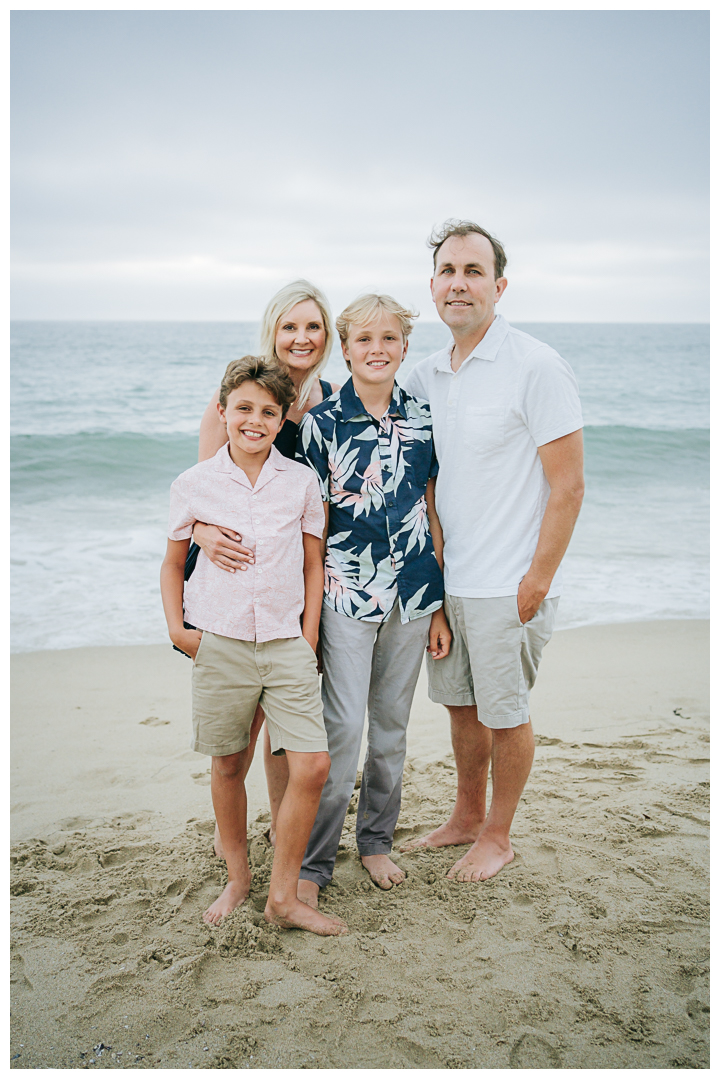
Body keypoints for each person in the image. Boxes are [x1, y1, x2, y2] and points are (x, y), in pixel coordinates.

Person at [400, 220, 584, 882]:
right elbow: (421, 483)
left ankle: (499, 836)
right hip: (452, 583)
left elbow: (568, 486)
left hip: (511, 584)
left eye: (474, 272)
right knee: (460, 711)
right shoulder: (423, 377)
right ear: (432, 287)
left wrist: (536, 579)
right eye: (448, 271)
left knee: (506, 716)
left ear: (498, 286)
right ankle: (465, 818)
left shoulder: (535, 365)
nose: (459, 283)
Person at [160, 355, 347, 936]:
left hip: (287, 641)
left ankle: (284, 896)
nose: (255, 421)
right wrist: (176, 628)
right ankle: (239, 877)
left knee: (312, 766)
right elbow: (172, 564)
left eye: (269, 411)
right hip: (221, 642)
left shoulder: (300, 481)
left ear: (283, 417)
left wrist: (309, 632)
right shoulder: (193, 485)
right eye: (243, 409)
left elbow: (314, 564)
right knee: (228, 764)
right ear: (223, 412)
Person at [293, 293, 452, 908]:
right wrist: (308, 620)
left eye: (389, 339)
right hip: (344, 597)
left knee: (391, 730)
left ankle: (376, 841)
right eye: (364, 340)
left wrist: (435, 604)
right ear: (346, 348)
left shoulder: (423, 418)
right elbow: (313, 525)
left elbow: (431, 507)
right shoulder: (323, 425)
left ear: (405, 348)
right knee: (342, 730)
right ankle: (313, 860)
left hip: (412, 597)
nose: (377, 349)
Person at [191, 281, 340, 854]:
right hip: (236, 584)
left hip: (303, 580)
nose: (301, 338)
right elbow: (201, 490)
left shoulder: (334, 399)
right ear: (272, 332)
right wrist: (202, 532)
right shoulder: (237, 396)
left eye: (313, 327)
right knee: (237, 735)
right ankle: (237, 849)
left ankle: (284, 837)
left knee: (288, 730)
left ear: (327, 336)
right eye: (289, 326)